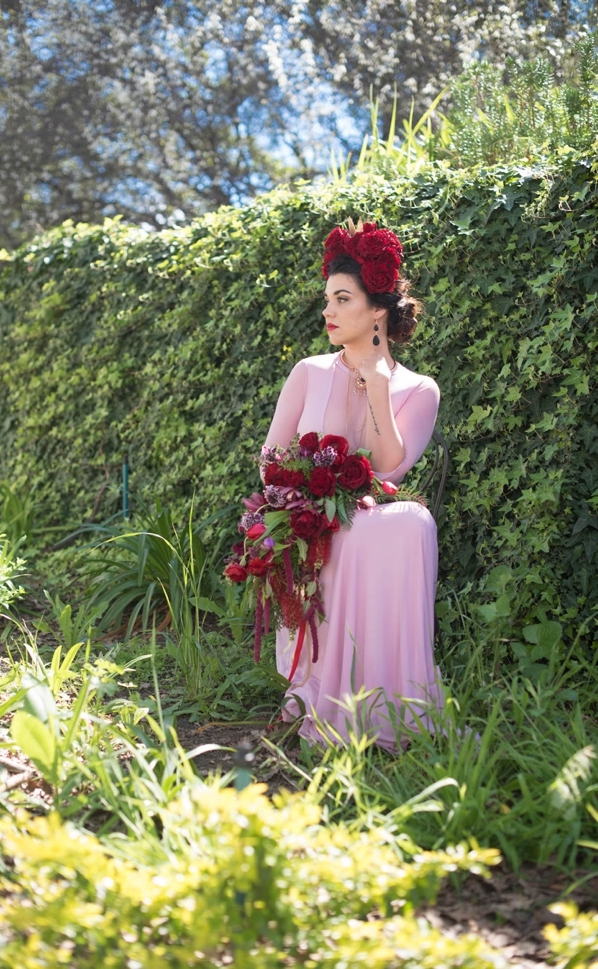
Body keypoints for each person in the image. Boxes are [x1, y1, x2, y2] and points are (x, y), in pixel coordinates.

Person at [262, 220, 442, 749]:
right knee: (366, 528)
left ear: (378, 310)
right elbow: (271, 457)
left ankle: (396, 699)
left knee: (412, 522)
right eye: (328, 300)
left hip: (371, 514)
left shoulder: (420, 390)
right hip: (311, 516)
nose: (329, 312)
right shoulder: (308, 371)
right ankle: (329, 691)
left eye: (342, 299)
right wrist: (299, 488)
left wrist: (378, 388)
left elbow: (388, 470)